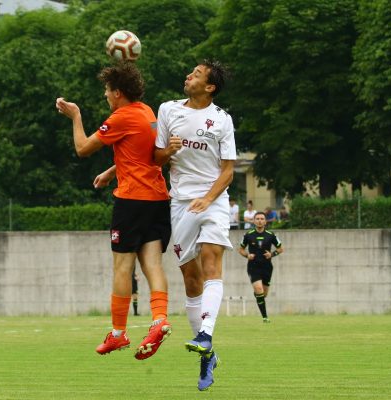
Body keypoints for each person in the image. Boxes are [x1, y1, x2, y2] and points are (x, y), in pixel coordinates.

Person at [56, 61, 172, 360]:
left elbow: (82, 148)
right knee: (153, 265)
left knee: (122, 267)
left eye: (107, 91)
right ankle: (159, 320)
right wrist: (111, 171)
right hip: (158, 198)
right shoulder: (147, 113)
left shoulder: (120, 117)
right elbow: (142, 155)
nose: (106, 97)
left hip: (131, 201)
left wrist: (75, 115)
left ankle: (118, 334)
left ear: (117, 92)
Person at [154, 60, 235, 391]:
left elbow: (228, 170)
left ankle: (205, 334)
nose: (188, 76)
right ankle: (207, 354)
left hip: (213, 200)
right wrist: (167, 151)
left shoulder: (222, 120)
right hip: (180, 203)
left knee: (212, 263)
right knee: (191, 280)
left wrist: (209, 198)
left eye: (197, 74)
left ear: (210, 86)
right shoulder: (168, 110)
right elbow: (155, 158)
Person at [238, 211, 284, 323]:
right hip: (253, 266)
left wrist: (272, 254)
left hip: (267, 267)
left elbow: (280, 249)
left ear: (265, 221)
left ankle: (258, 295)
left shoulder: (271, 235)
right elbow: (241, 249)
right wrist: (247, 255)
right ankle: (265, 317)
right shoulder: (248, 235)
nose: (259, 221)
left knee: (264, 294)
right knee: (259, 289)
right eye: (257, 218)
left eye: (262, 219)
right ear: (254, 221)